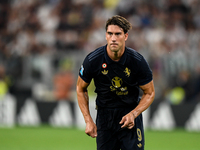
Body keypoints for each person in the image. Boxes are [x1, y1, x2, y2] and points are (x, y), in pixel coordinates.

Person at [76, 15, 155, 150]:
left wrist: (134, 114)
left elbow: (150, 92)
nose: (113, 38)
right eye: (110, 33)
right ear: (105, 36)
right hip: (105, 117)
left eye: (118, 34)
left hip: (129, 117)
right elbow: (80, 88)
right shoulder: (93, 60)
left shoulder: (137, 61)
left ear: (125, 36)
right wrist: (88, 120)